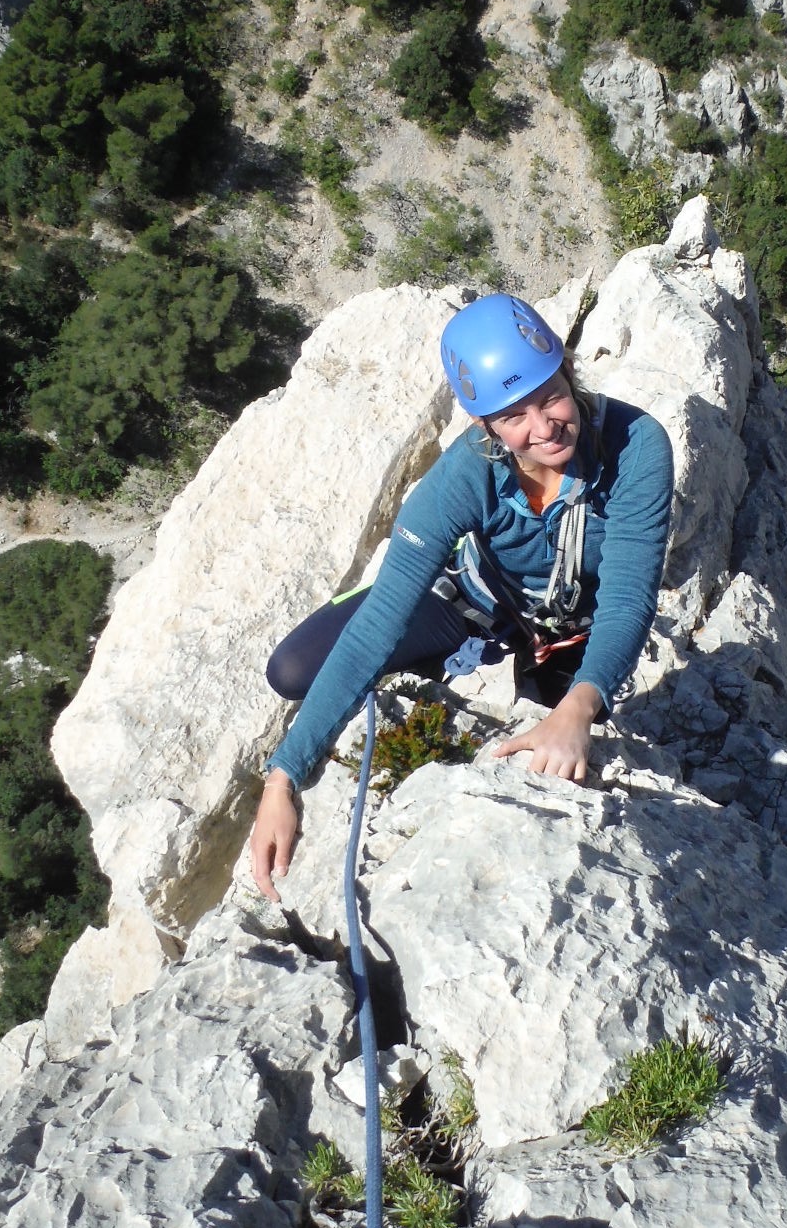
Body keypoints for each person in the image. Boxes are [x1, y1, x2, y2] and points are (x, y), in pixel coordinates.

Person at [249, 293, 674, 900]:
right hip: (476, 603)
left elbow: (630, 600)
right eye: (514, 415)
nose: (543, 426)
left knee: (562, 758)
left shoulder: (636, 447)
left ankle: (537, 681)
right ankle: (437, 667)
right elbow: (378, 624)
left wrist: (579, 708)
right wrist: (284, 776)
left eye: (551, 395)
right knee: (293, 669)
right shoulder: (467, 473)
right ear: (486, 427)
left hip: (571, 633)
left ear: (570, 374)